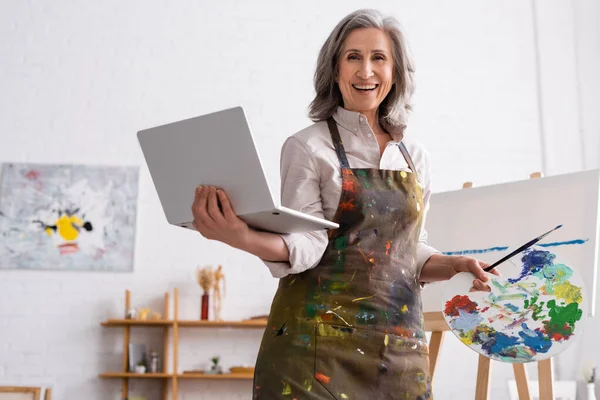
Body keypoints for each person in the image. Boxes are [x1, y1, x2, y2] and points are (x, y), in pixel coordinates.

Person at [191, 8, 495, 399]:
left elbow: (406, 249)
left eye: (378, 58)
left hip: (398, 348)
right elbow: (308, 244)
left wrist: (453, 265)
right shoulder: (307, 146)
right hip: (315, 349)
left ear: (396, 72)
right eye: (353, 57)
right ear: (334, 70)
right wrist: (240, 235)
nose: (365, 71)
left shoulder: (414, 156)